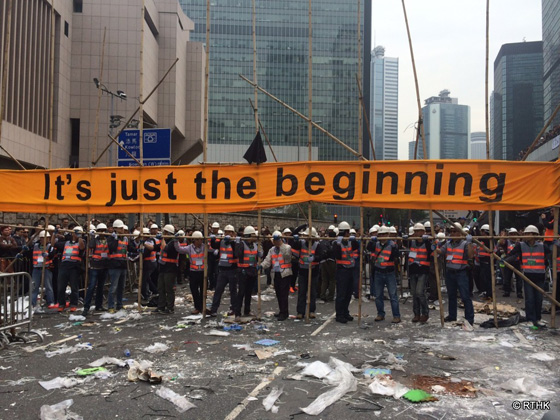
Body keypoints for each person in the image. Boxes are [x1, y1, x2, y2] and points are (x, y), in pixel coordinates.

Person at [505, 225, 549, 328]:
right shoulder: (520, 245)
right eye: (525, 233)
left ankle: (537, 319)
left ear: (534, 235)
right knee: (529, 299)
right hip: (527, 276)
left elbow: (552, 254)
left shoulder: (542, 246)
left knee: (539, 299)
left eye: (528, 233)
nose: (526, 235)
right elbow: (512, 254)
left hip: (540, 276)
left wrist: (555, 244)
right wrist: (504, 260)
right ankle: (530, 319)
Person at [437, 223, 475, 326]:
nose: (453, 233)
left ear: (460, 232)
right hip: (450, 273)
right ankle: (452, 315)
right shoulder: (448, 244)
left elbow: (471, 255)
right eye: (451, 231)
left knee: (465, 296)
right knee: (451, 296)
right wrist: (432, 244)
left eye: (455, 231)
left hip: (461, 273)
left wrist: (469, 243)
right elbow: (440, 251)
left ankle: (469, 318)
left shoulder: (465, 244)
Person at [368, 225, 401, 323]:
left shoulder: (392, 245)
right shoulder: (376, 244)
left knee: (393, 296)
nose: (382, 236)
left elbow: (397, 254)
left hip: (389, 273)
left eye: (384, 234)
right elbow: (369, 247)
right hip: (378, 272)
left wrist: (395, 245)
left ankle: (396, 316)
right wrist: (371, 241)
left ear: (388, 234)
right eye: (381, 234)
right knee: (378, 296)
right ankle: (380, 314)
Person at [155, 225, 190, 314]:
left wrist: (162, 239)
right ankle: (161, 306)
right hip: (163, 268)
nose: (163, 233)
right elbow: (156, 247)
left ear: (168, 233)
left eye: (164, 232)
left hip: (170, 269)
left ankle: (170, 308)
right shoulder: (166, 241)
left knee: (169, 289)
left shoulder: (173, 242)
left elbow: (165, 248)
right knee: (161, 288)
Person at [293, 227, 326, 319]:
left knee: (312, 293)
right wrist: (295, 239)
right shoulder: (301, 243)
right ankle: (300, 312)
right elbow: (294, 244)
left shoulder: (317, 245)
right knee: (302, 292)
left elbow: (321, 256)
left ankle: (311, 311)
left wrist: (314, 258)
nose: (305, 237)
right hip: (303, 271)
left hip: (313, 271)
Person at [261, 231, 293, 321]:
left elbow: (287, 256)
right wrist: (261, 266)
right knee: (278, 294)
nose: (275, 242)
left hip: (285, 273)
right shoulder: (272, 250)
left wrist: (280, 245)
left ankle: (284, 313)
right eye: (274, 240)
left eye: (277, 240)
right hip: (276, 273)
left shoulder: (287, 247)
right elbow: (268, 260)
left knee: (283, 294)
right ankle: (281, 310)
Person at [209, 224, 239, 316]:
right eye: (226, 232)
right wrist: (212, 240)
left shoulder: (236, 242)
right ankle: (213, 309)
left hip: (232, 269)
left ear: (233, 233)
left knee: (233, 291)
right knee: (218, 290)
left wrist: (232, 242)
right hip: (222, 269)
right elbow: (214, 245)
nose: (227, 233)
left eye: (230, 232)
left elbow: (237, 253)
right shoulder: (222, 241)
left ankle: (233, 309)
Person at [54, 226, 86, 312]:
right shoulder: (66, 243)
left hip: (74, 266)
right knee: (61, 287)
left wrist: (79, 237)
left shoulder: (82, 241)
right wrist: (54, 234)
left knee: (74, 287)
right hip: (64, 266)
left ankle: (73, 304)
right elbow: (54, 244)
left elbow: (82, 247)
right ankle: (61, 304)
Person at [333, 221, 359, 324]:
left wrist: (354, 239)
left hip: (350, 269)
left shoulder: (350, 242)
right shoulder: (336, 243)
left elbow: (356, 246)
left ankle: (345, 312)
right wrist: (338, 243)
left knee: (348, 293)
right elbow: (337, 255)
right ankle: (339, 314)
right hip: (342, 270)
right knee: (341, 294)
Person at [406, 223, 431, 323]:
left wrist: (428, 241)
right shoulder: (412, 242)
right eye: (415, 231)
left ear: (423, 232)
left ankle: (425, 313)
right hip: (413, 269)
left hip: (423, 270)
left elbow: (432, 252)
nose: (416, 233)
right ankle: (416, 314)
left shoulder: (427, 242)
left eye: (418, 231)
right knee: (414, 293)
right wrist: (405, 238)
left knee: (420, 292)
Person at [82, 223, 109, 315]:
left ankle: (99, 305)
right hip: (95, 266)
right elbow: (91, 246)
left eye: (104, 231)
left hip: (104, 266)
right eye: (100, 231)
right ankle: (86, 307)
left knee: (101, 287)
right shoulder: (95, 240)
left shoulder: (107, 240)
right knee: (91, 286)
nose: (102, 233)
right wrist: (92, 237)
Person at [234, 226, 260, 320]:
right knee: (241, 292)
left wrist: (260, 254)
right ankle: (237, 313)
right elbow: (237, 254)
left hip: (252, 271)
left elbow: (257, 256)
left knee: (249, 292)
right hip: (243, 271)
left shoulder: (255, 245)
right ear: (248, 236)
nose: (255, 237)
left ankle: (247, 310)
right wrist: (237, 244)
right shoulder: (242, 244)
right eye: (253, 235)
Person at [107, 219, 132, 313]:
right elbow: (112, 248)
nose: (122, 230)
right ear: (115, 229)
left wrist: (139, 246)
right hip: (114, 265)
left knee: (121, 287)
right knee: (113, 288)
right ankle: (111, 306)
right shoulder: (111, 238)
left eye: (122, 228)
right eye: (120, 228)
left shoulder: (125, 238)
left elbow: (130, 248)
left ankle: (119, 304)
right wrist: (116, 239)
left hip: (123, 265)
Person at [31, 230, 56, 309]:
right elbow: (30, 252)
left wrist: (48, 254)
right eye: (44, 238)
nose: (46, 239)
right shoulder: (35, 246)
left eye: (47, 238)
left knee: (48, 286)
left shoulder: (50, 246)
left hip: (46, 268)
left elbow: (53, 254)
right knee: (34, 287)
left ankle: (50, 302)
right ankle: (32, 303)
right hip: (36, 268)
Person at [184, 230, 206, 314]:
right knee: (194, 290)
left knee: (203, 291)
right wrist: (175, 241)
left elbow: (212, 249)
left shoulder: (204, 247)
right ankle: (197, 307)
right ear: (194, 240)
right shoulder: (189, 248)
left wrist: (211, 240)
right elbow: (179, 249)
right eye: (198, 240)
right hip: (193, 272)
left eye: (201, 240)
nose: (200, 241)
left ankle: (203, 307)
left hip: (202, 272)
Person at [500, 228, 522, 298]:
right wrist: (503, 235)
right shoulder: (507, 242)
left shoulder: (519, 243)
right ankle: (507, 291)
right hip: (508, 262)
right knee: (507, 278)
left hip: (517, 262)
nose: (513, 235)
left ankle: (519, 292)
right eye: (511, 234)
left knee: (519, 279)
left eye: (514, 234)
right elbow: (501, 242)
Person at [319, 225, 337, 302]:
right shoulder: (335, 243)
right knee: (332, 280)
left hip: (323, 261)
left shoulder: (324, 242)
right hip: (331, 261)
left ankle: (322, 295)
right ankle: (330, 296)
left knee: (325, 279)